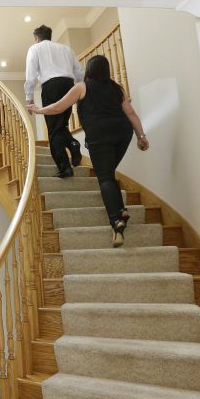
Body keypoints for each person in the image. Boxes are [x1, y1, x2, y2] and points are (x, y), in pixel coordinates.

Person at [28, 54, 150, 247]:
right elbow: (131, 113)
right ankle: (121, 210)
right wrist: (141, 136)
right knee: (108, 174)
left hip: (100, 136)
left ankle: (116, 221)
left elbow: (59, 107)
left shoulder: (82, 87)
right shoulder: (117, 88)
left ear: (89, 70)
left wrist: (38, 109)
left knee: (105, 178)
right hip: (122, 133)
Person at [25, 24, 84, 178]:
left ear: (37, 38)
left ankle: (65, 167)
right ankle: (72, 143)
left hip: (51, 86)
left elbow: (30, 76)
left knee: (54, 129)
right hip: (69, 85)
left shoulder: (35, 48)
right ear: (49, 36)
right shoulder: (66, 49)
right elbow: (80, 72)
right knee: (61, 124)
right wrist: (82, 91)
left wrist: (29, 99)